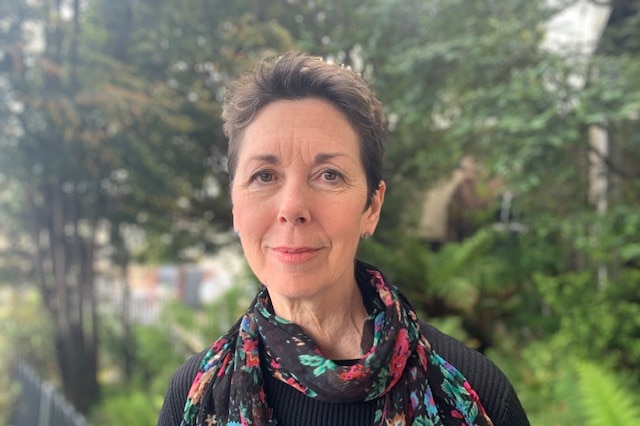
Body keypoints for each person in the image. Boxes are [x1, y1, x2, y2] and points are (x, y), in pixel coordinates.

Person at [158, 52, 530, 426]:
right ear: (235, 207)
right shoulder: (195, 397)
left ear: (372, 206)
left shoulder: (477, 392)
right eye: (264, 176)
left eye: (329, 175)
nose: (292, 208)